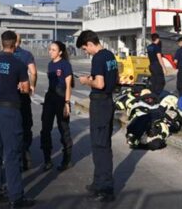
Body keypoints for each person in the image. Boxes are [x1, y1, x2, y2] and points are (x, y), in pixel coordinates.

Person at [0, 30, 35, 208]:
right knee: (12, 154)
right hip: (9, 110)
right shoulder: (18, 63)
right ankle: (16, 197)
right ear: (14, 44)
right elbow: (26, 89)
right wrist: (19, 86)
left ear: (1, 42)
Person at [77, 30, 118, 203]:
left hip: (100, 104)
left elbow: (99, 84)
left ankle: (106, 188)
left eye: (85, 49)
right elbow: (114, 79)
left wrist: (87, 81)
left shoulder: (98, 58)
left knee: (100, 146)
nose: (86, 52)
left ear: (90, 44)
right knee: (103, 144)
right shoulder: (110, 55)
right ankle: (98, 182)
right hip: (108, 102)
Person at [40, 41, 74, 172]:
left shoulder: (65, 65)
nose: (50, 52)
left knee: (64, 130)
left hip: (61, 99)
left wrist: (67, 103)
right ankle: (47, 160)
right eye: (50, 49)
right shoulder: (50, 64)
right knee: (45, 129)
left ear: (60, 52)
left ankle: (67, 160)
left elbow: (68, 85)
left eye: (53, 50)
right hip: (50, 99)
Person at [14, 35, 37, 171]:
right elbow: (33, 72)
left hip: (9, 96)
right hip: (23, 94)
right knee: (26, 124)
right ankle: (26, 155)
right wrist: (32, 86)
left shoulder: (1, 55)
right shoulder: (26, 55)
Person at [146, 33, 166, 98]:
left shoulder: (149, 47)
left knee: (154, 80)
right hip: (156, 65)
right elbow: (159, 58)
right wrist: (164, 68)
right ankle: (157, 95)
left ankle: (152, 94)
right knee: (160, 81)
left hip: (151, 65)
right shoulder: (157, 47)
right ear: (157, 39)